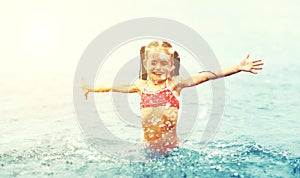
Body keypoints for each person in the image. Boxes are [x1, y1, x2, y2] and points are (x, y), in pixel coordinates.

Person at [82, 40, 264, 154]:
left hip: (173, 149)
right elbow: (114, 87)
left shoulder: (175, 85)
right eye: (153, 63)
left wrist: (237, 67)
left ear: (171, 65)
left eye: (164, 63)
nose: (158, 67)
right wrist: (91, 88)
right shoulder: (141, 86)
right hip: (147, 148)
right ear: (145, 64)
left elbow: (207, 75)